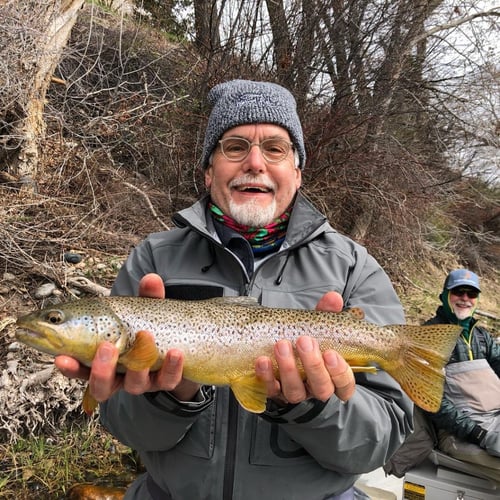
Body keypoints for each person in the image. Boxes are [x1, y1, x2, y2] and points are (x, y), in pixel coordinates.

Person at [55, 79, 413, 499]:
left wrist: (312, 406)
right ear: (210, 171)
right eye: (235, 146)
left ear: (297, 173)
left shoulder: (355, 269)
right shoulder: (153, 259)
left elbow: (378, 444)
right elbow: (127, 428)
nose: (255, 163)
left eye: (275, 149)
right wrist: (173, 393)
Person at [425, 269, 500, 477]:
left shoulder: (482, 336)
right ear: (445, 295)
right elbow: (432, 401)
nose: (465, 298)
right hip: (460, 434)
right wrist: (478, 434)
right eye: (459, 292)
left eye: (472, 294)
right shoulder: (428, 336)